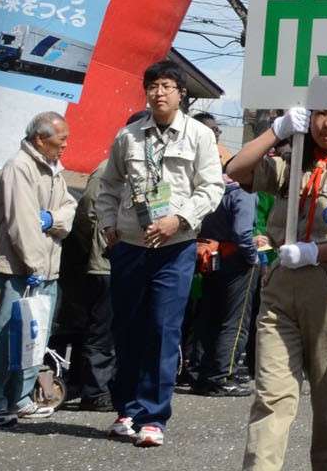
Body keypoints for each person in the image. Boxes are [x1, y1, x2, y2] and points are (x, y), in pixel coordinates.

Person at [225, 105, 327, 471]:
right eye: (319, 114)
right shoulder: (291, 162)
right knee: (271, 398)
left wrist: (317, 251)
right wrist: (278, 129)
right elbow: (236, 169)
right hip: (280, 287)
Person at [89, 61, 226, 448]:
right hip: (130, 245)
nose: (159, 93)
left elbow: (212, 188)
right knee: (127, 328)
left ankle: (153, 416)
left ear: (181, 92)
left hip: (174, 247)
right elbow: (110, 184)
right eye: (152, 86)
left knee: (163, 330)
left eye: (166, 86)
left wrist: (180, 219)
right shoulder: (129, 137)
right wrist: (109, 224)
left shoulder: (199, 135)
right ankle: (126, 410)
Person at [0, 111, 76, 427]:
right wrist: (34, 263)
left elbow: (70, 208)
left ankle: (19, 400)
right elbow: (22, 224)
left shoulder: (53, 169)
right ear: (40, 138)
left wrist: (53, 220)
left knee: (34, 341)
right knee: (5, 339)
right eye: (61, 140)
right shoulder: (19, 168)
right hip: (19, 270)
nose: (65, 146)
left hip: (46, 269)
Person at [187, 155, 257, 397]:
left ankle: (199, 373)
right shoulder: (244, 193)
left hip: (208, 256)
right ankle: (222, 376)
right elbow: (242, 232)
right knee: (235, 321)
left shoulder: (212, 189)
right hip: (235, 259)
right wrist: (253, 256)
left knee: (208, 317)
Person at [57, 186, 116, 411]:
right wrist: (102, 240)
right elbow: (85, 215)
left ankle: (101, 385)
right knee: (102, 331)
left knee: (112, 331)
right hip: (104, 264)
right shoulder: (106, 172)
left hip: (119, 263)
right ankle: (95, 391)